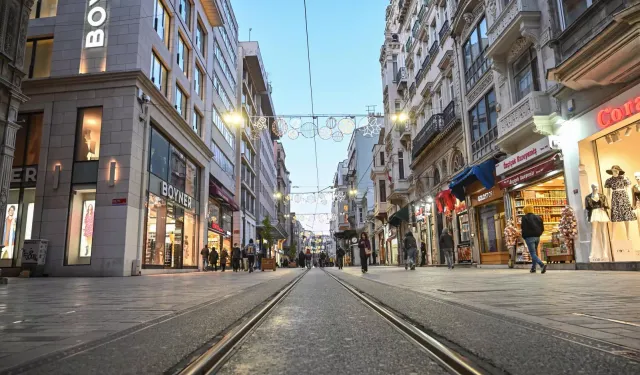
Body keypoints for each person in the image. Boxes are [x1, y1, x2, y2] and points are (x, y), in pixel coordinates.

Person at [521, 205, 547, 274]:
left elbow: (523, 228)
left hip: (529, 238)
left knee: (532, 253)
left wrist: (524, 236)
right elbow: (542, 228)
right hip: (537, 237)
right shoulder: (538, 217)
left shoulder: (524, 218)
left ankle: (541, 264)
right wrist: (539, 234)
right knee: (534, 253)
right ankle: (533, 268)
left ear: (525, 210)